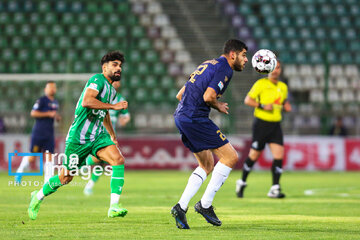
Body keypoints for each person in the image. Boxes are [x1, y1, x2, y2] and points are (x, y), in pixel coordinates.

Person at [28, 51, 129, 220]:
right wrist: (113, 107)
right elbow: (87, 102)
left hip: (97, 135)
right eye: (114, 65)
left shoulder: (111, 90)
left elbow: (103, 113)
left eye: (120, 66)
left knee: (118, 160)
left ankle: (113, 206)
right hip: (78, 138)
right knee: (65, 177)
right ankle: (37, 197)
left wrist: (112, 134)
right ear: (104, 68)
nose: (118, 68)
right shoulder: (97, 80)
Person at [171, 39, 248, 229]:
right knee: (231, 157)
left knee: (206, 165)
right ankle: (205, 205)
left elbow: (180, 94)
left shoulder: (206, 64)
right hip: (195, 118)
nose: (246, 60)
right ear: (233, 55)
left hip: (181, 117)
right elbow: (208, 96)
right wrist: (218, 105)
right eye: (244, 55)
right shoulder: (225, 69)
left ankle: (180, 207)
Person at [235, 61, 292, 199]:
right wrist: (261, 105)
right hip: (261, 124)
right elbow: (248, 100)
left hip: (275, 125)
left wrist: (286, 105)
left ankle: (275, 188)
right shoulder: (261, 84)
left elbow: (283, 101)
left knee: (279, 156)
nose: (276, 70)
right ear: (268, 69)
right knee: (254, 155)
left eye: (278, 67)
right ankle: (242, 182)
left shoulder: (283, 87)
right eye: (273, 67)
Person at [83, 80, 131, 196]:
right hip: (98, 130)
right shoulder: (102, 95)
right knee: (100, 158)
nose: (117, 84)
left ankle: (89, 183)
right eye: (115, 82)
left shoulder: (120, 99)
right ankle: (85, 165)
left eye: (119, 82)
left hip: (110, 132)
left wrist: (123, 121)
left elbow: (126, 116)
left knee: (104, 162)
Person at [15, 81, 60, 184]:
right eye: (50, 87)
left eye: (53, 87)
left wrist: (56, 117)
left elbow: (52, 115)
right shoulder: (41, 101)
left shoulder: (56, 102)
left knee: (50, 156)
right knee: (32, 157)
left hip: (49, 133)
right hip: (39, 133)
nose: (52, 89)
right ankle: (20, 171)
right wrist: (48, 113)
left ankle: (47, 182)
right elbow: (33, 113)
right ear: (46, 89)